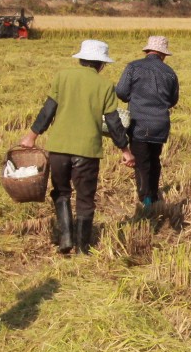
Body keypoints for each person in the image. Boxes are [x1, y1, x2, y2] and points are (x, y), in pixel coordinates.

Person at [18, 39, 130, 254]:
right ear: (101, 64)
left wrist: (31, 136)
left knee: (61, 192)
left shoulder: (62, 77)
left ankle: (66, 239)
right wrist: (125, 150)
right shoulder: (105, 86)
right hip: (87, 151)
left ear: (80, 59)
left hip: (59, 147)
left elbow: (48, 109)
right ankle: (82, 248)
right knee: (85, 198)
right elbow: (114, 122)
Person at [115, 34, 180, 221]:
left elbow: (121, 91)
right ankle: (153, 193)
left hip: (139, 123)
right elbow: (173, 100)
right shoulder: (169, 72)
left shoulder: (133, 67)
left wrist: (133, 98)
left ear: (147, 51)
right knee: (154, 159)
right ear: (163, 54)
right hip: (161, 124)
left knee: (141, 163)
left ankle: (147, 201)